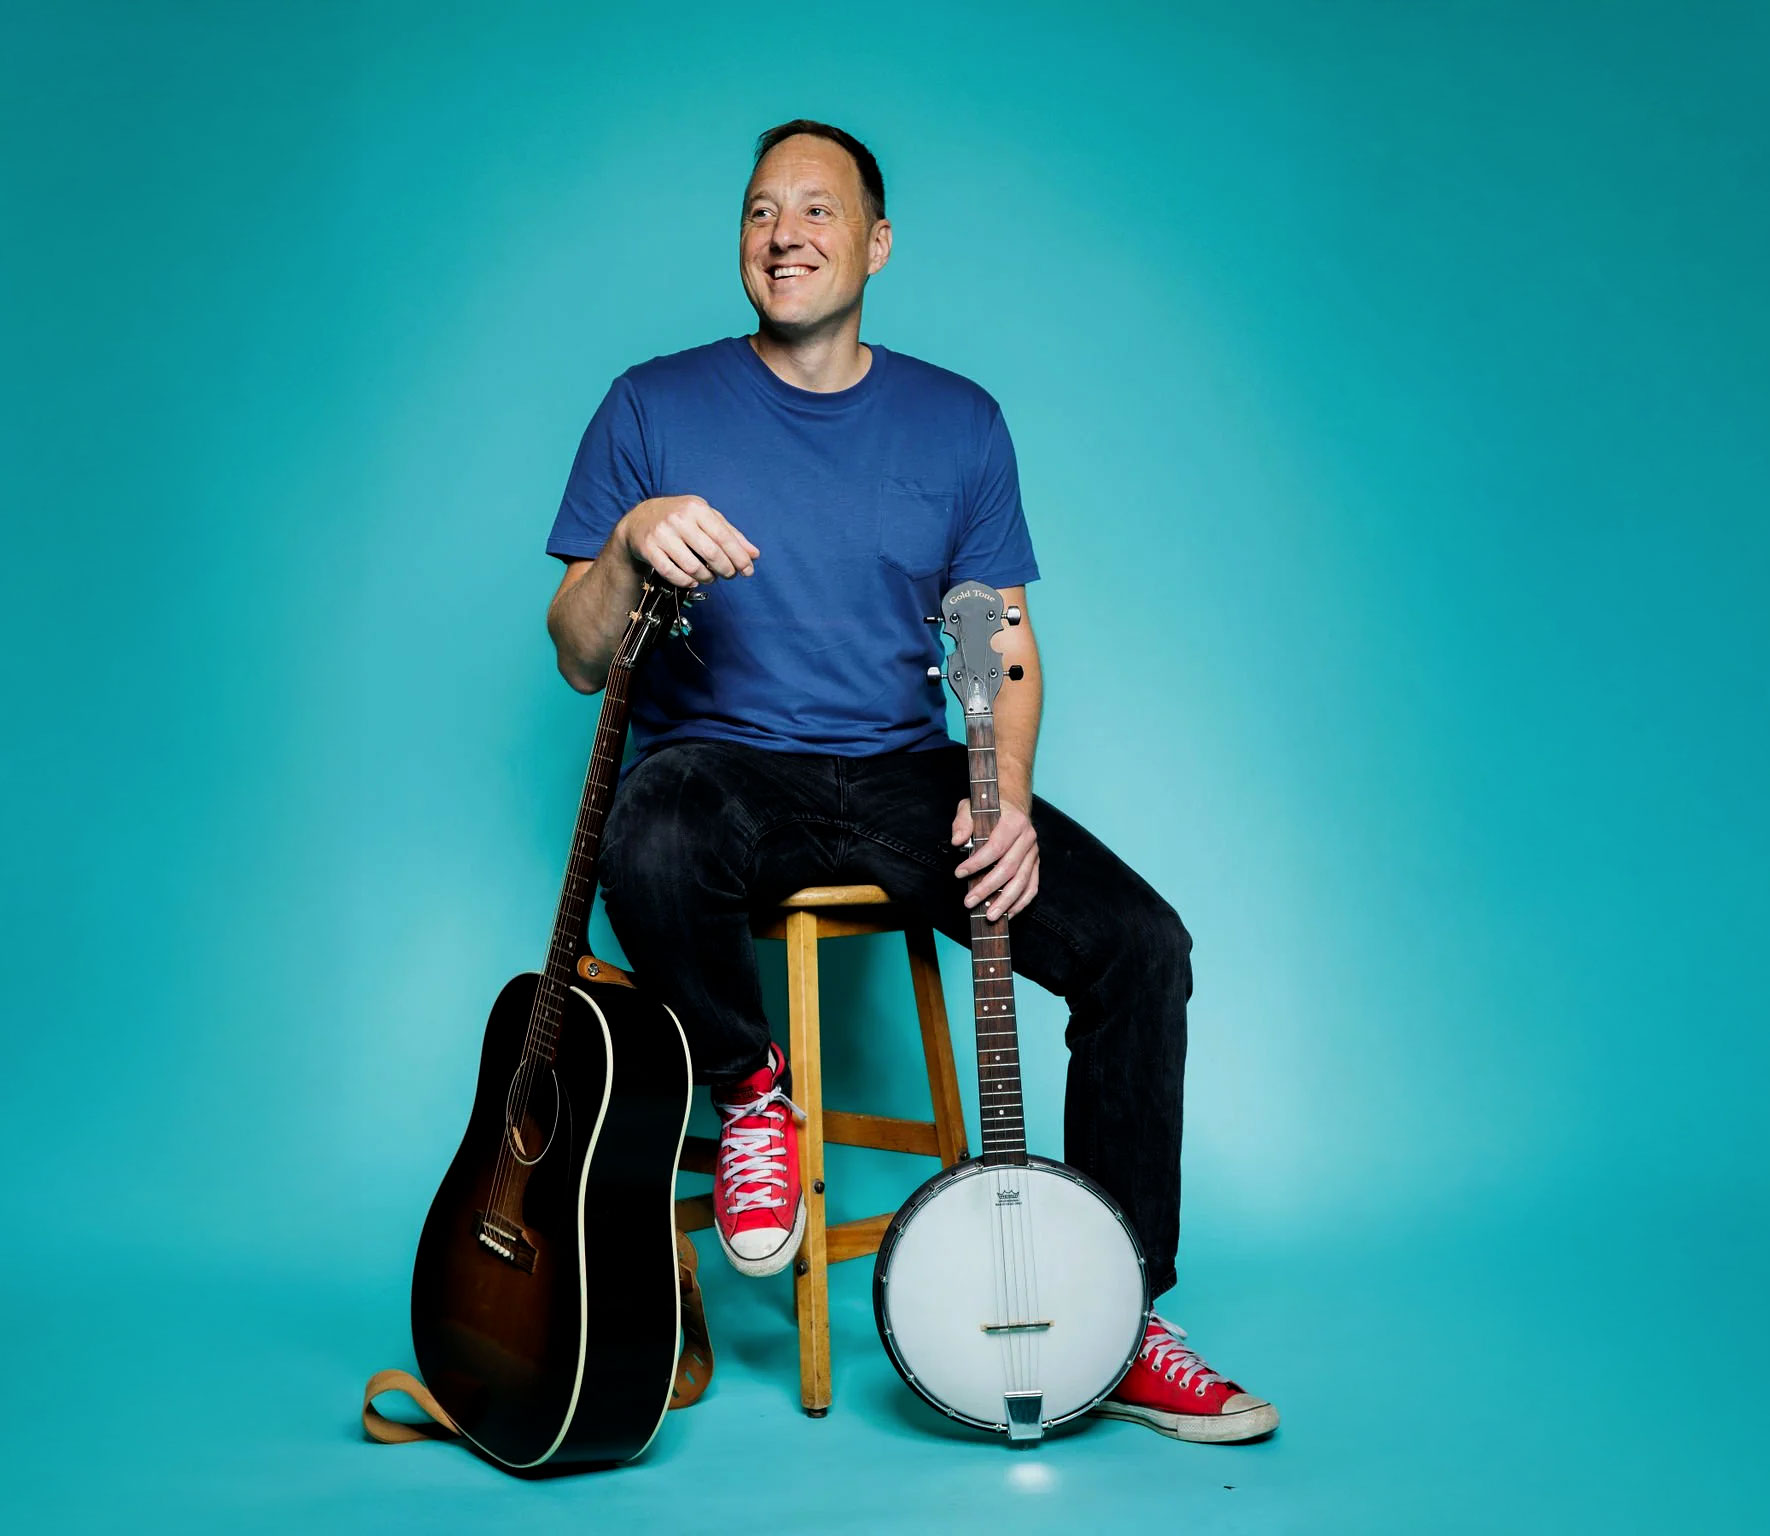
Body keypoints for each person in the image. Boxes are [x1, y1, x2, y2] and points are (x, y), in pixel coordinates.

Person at [542, 119, 1277, 1444]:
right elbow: (578, 659)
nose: (787, 234)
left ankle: (1123, 1312)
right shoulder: (653, 404)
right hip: (730, 770)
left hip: (904, 771)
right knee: (643, 826)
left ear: (876, 244)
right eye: (764, 211)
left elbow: (1004, 638)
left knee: (1140, 948)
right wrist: (628, 544)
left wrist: (1003, 792)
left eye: (819, 212)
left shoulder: (958, 422)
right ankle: (753, 1090)